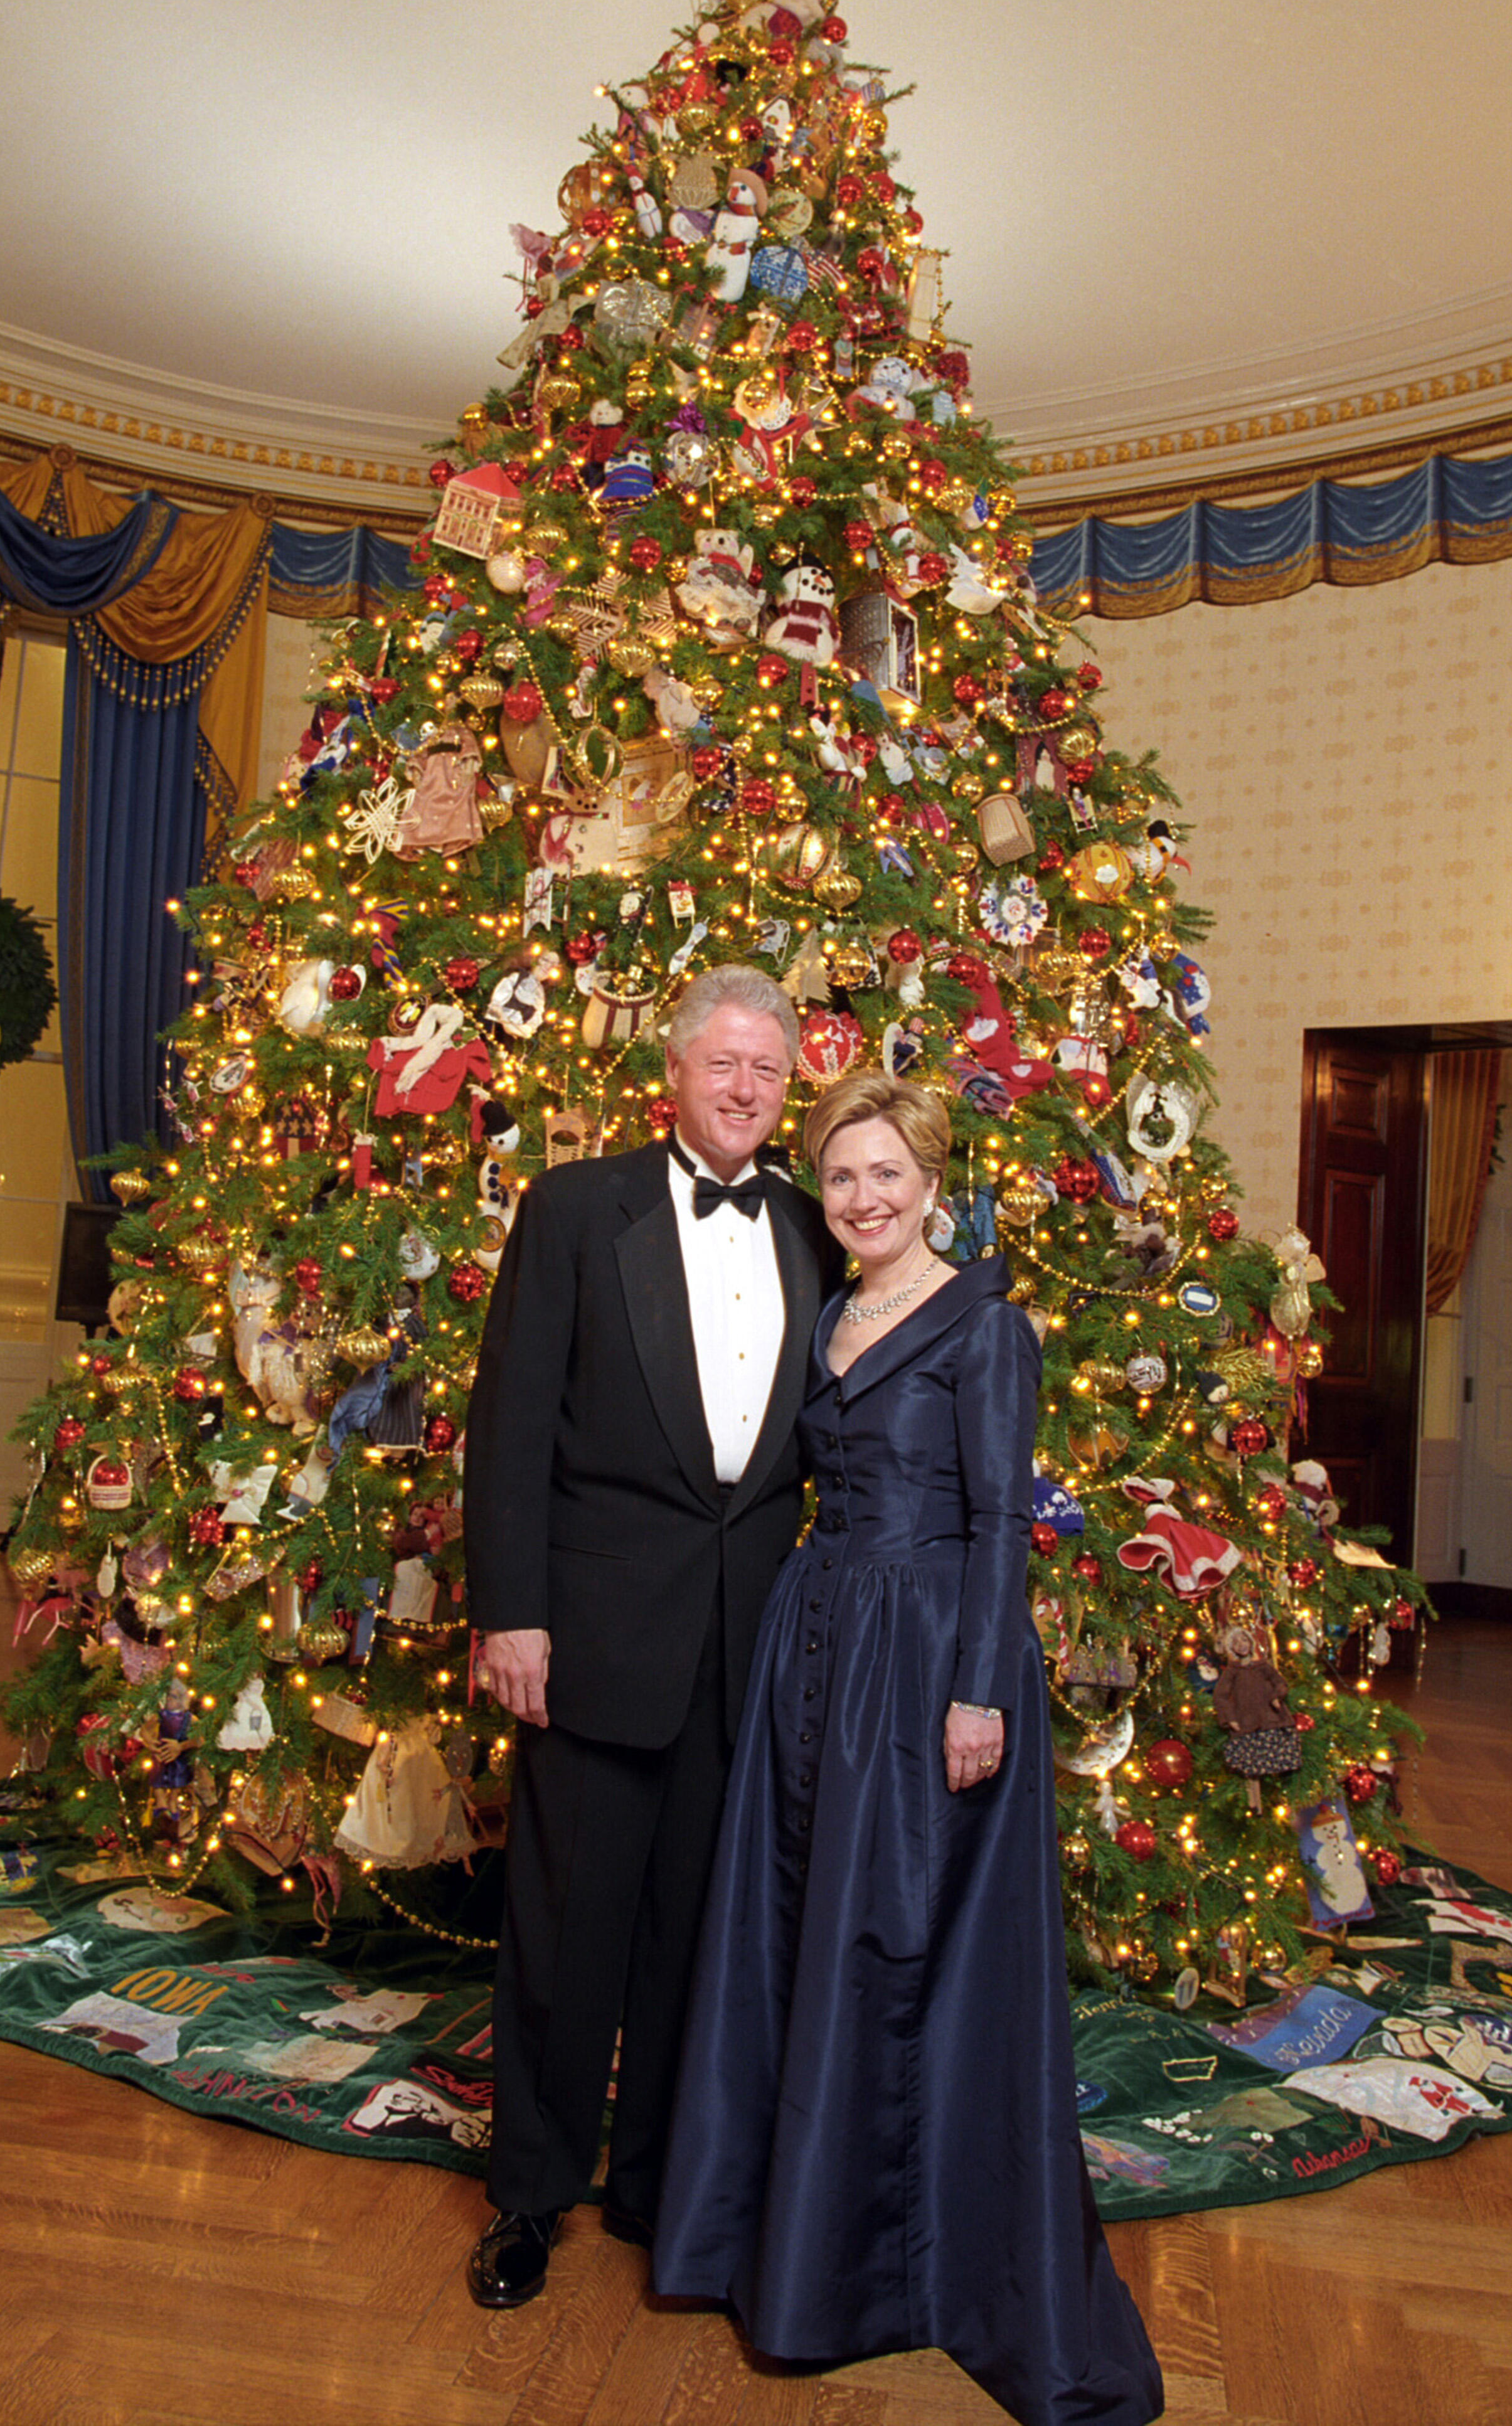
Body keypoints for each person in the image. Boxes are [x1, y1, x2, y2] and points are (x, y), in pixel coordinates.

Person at [652, 1074, 1164, 2426]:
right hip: (817, 1644)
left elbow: (1002, 1521)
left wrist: (983, 1692)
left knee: (893, 1939)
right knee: (797, 1930)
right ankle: (771, 2242)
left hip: (932, 1655)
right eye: (844, 1178)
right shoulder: (833, 1314)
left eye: (888, 1175)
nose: (865, 1199)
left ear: (935, 1184)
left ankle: (889, 2268)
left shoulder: (987, 1329)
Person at [459, 962, 839, 2309]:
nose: (744, 1090)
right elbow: (508, 1427)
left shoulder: (816, 1230)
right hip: (596, 1633)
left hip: (748, 1646)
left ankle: (654, 2187)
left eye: (769, 1073)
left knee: (699, 1933)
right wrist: (512, 1610)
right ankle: (529, 2197)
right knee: (567, 1933)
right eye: (722, 1065)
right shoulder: (574, 1209)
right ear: (672, 1073)